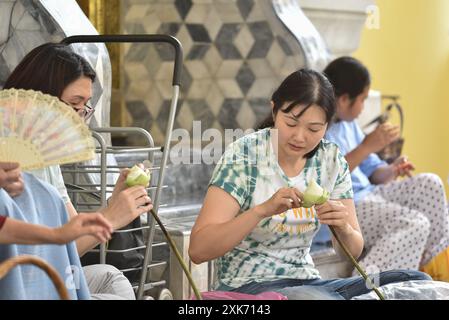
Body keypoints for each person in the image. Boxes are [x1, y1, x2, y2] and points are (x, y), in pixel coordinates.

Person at [188, 68, 431, 300]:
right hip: (248, 284)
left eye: (314, 128)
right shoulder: (244, 155)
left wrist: (343, 226)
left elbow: (352, 251)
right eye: (291, 123)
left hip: (307, 281)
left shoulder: (331, 159)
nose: (300, 137)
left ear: (327, 125)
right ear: (274, 110)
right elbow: (199, 250)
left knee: (413, 282)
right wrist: (262, 211)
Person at [1, 43, 153, 299]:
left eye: (84, 108)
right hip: (23, 281)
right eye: (74, 105)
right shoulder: (12, 150)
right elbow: (38, 255)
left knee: (110, 278)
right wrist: (110, 217)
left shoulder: (44, 152)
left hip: (46, 268)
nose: (79, 120)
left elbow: (68, 244)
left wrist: (113, 206)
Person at [323, 56, 449, 275]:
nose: (363, 107)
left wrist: (392, 170)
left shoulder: (351, 126)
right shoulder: (320, 131)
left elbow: (374, 174)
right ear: (343, 100)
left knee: (431, 183)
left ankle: (434, 270)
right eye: (362, 99)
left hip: (373, 193)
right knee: (415, 223)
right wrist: (366, 147)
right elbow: (328, 180)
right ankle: (367, 286)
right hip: (349, 206)